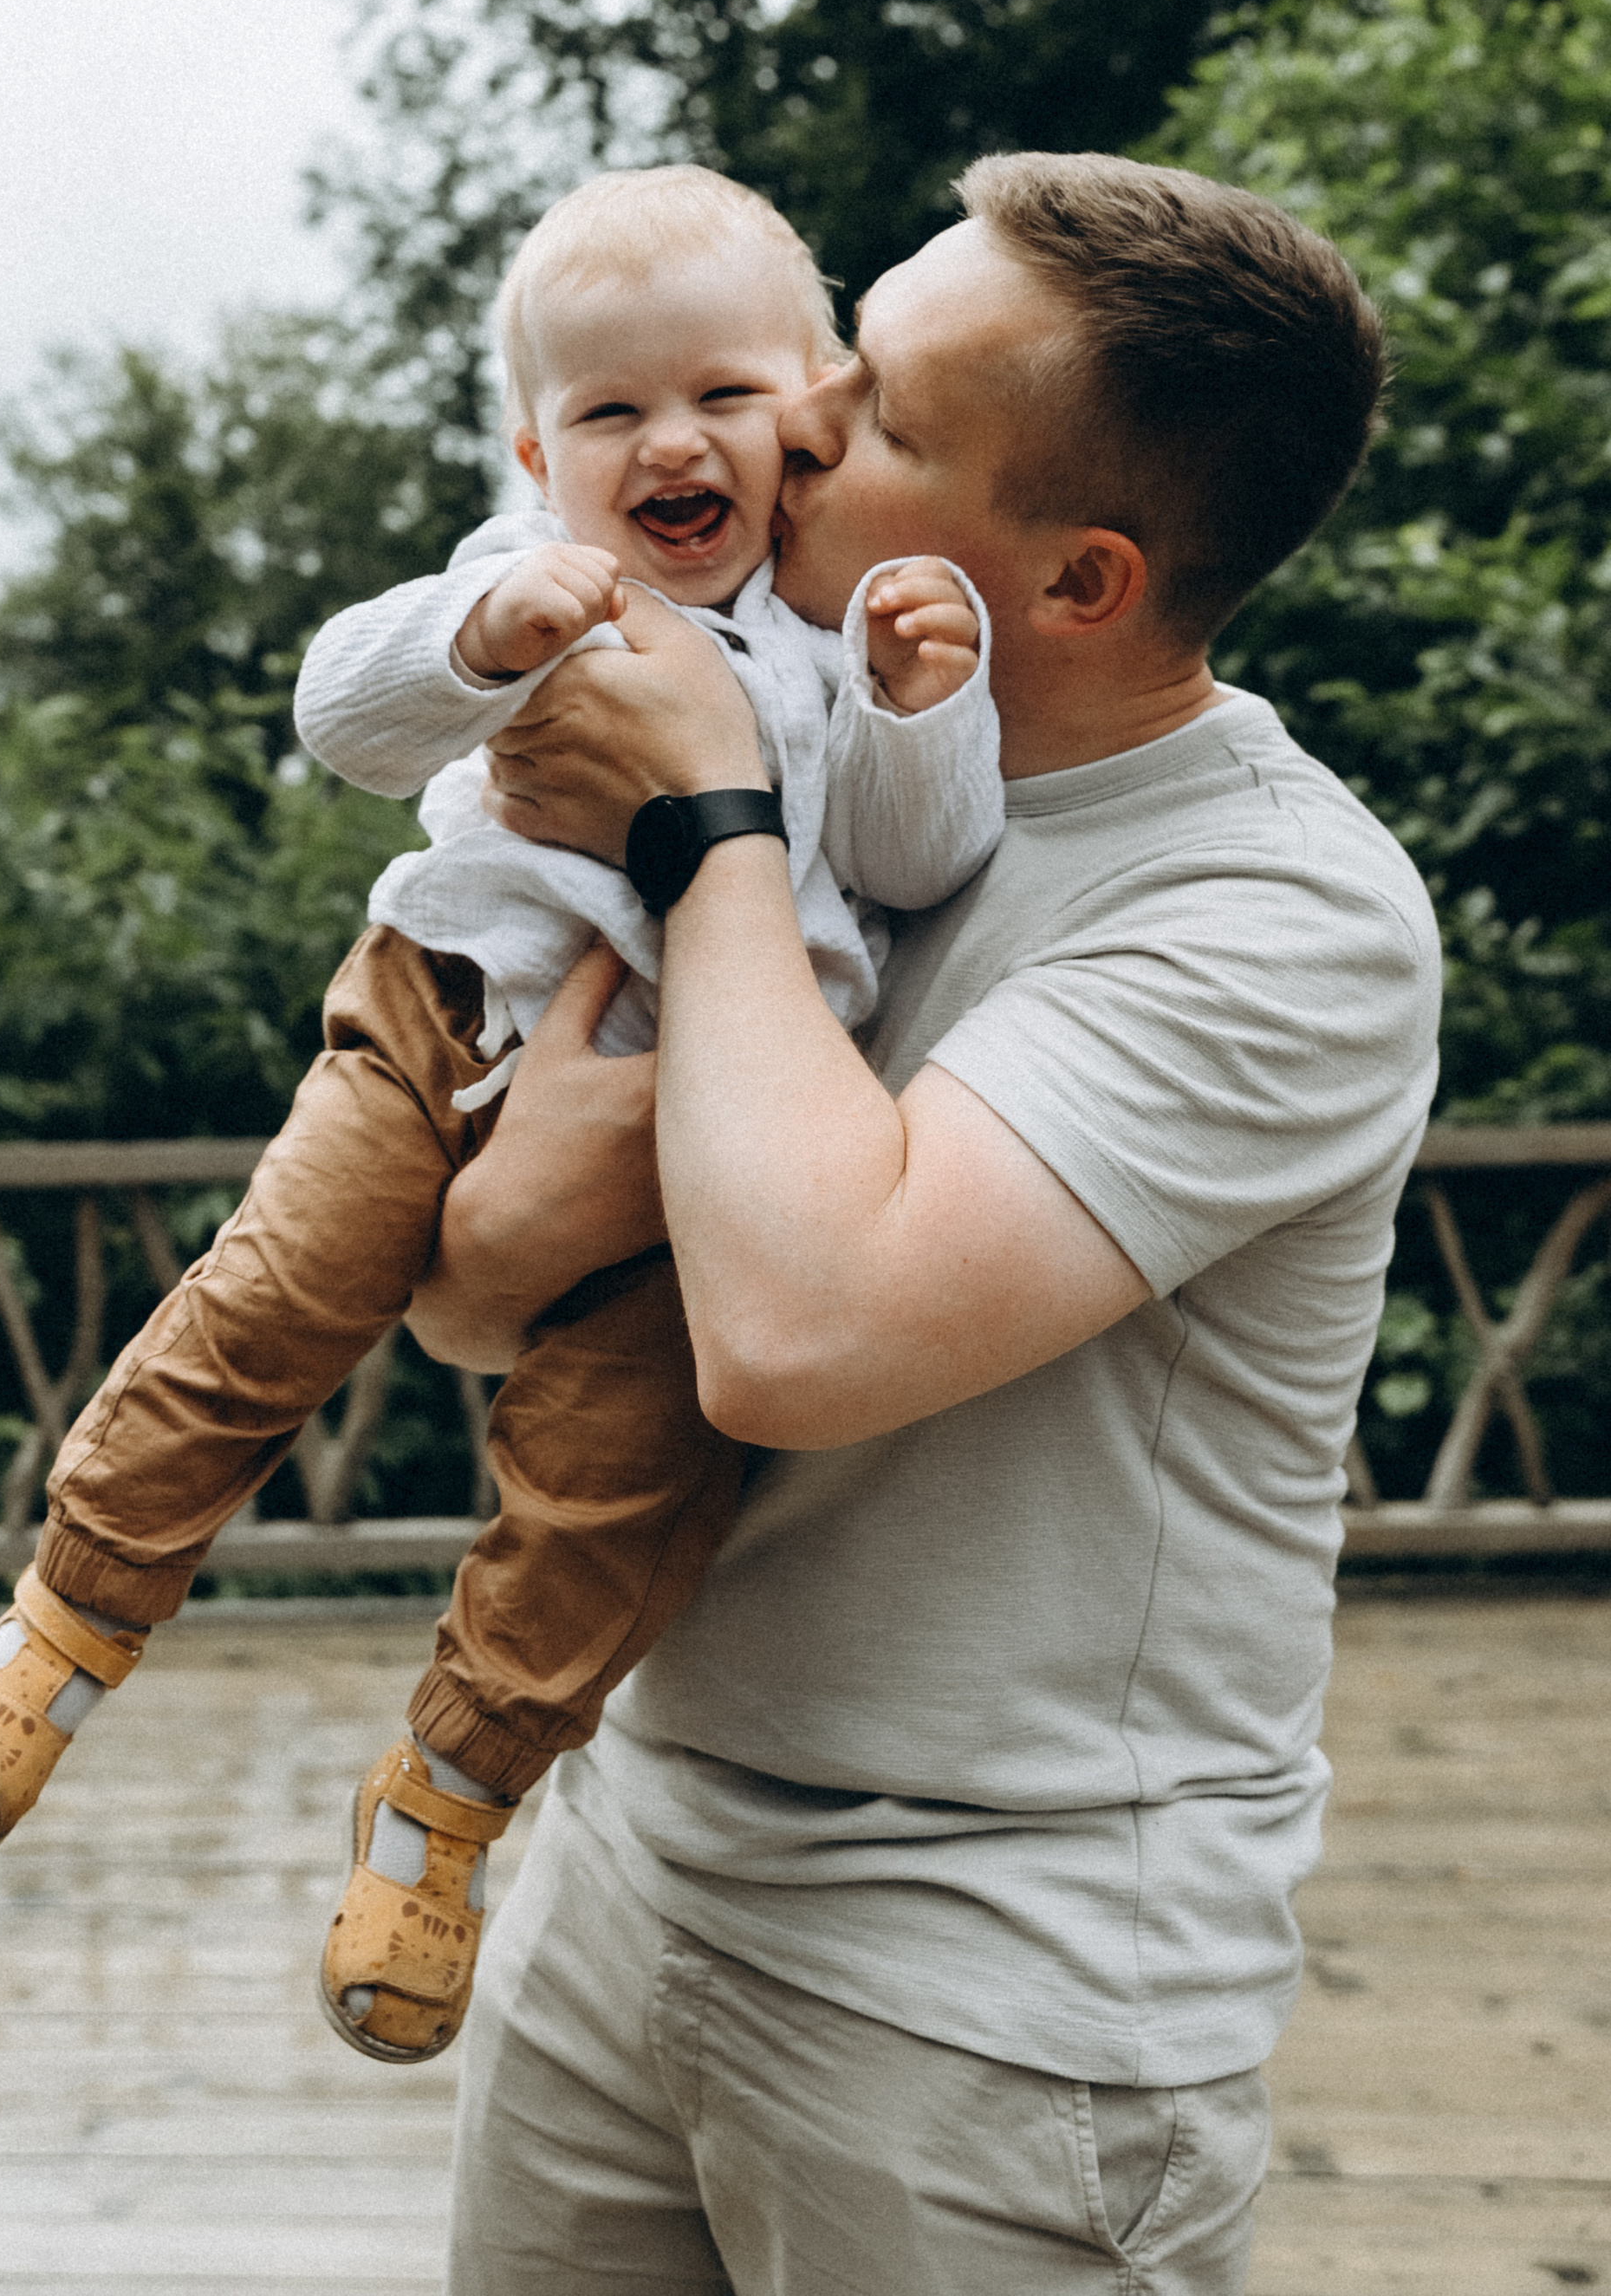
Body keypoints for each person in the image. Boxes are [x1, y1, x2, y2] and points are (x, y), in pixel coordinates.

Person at [412, 153, 1442, 2296]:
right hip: (631, 1854)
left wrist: (700, 818)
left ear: (1070, 583)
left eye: (870, 415)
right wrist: (496, 1227)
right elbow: (471, 1283)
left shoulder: (1274, 916)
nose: (783, 428)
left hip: (991, 1992)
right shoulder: (813, 760)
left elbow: (793, 1334)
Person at [0, 166, 1004, 2065]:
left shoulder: (836, 642)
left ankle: (442, 1813)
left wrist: (914, 704)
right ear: (533, 447)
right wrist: (479, 638)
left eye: (723, 396)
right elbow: (343, 716)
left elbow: (917, 858)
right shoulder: (524, 573)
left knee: (610, 1493)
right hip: (439, 1019)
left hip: (700, 1149)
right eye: (606, 413)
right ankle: (60, 1629)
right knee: (267, 1305)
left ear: (811, 407)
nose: (670, 444)